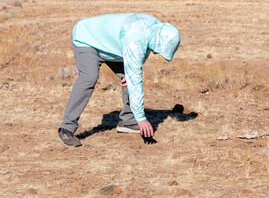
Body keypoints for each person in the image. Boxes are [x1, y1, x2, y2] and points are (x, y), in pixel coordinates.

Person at [58, 13, 181, 147]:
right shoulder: (135, 37)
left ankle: (128, 120)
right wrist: (142, 119)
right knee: (89, 77)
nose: (157, 53)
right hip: (87, 39)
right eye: (159, 50)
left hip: (113, 49)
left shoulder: (153, 29)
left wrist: (130, 74)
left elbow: (139, 59)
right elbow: (136, 53)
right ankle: (66, 128)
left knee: (131, 78)